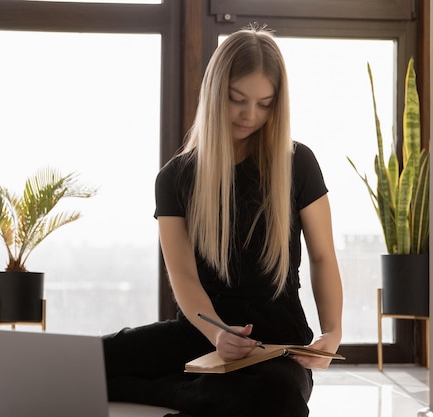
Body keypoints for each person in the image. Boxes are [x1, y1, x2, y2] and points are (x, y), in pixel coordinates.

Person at [103, 24, 343, 417]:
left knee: (276, 397)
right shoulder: (174, 178)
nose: (251, 115)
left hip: (277, 344)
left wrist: (332, 332)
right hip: (198, 331)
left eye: (265, 104)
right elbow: (183, 277)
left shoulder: (298, 163)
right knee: (90, 359)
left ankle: (176, 393)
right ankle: (192, 387)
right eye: (238, 100)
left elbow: (322, 256)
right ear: (216, 93)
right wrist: (217, 333)